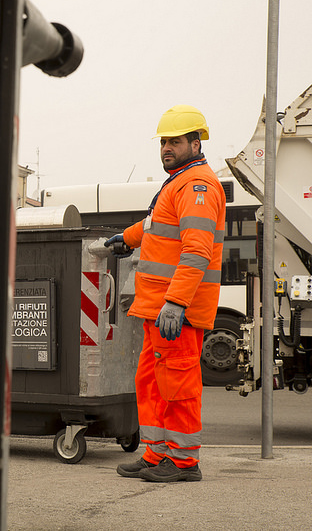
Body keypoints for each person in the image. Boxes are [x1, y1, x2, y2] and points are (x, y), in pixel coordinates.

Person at [105, 105, 226, 482]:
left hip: (176, 311)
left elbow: (196, 251)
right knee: (152, 382)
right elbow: (155, 224)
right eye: (163, 142)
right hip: (158, 309)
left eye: (175, 141)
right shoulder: (178, 183)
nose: (166, 148)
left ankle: (184, 461)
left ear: (196, 143)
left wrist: (176, 302)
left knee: (178, 385)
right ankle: (157, 453)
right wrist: (127, 239)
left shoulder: (196, 186)